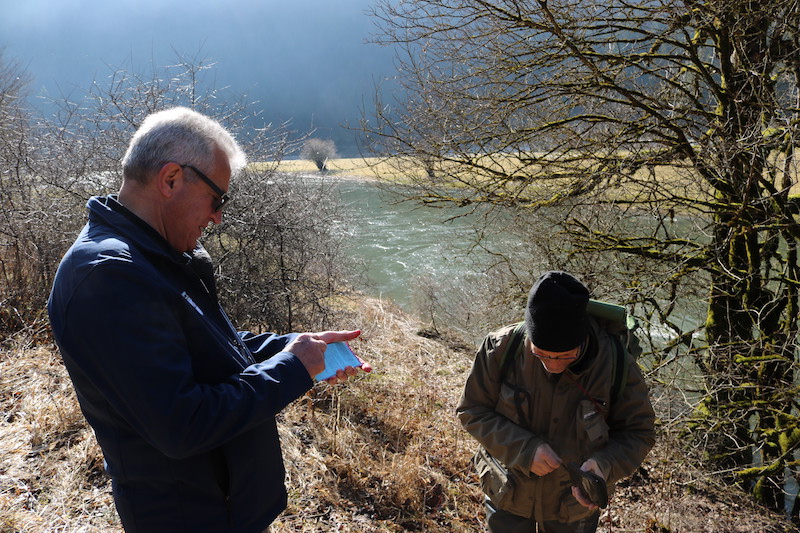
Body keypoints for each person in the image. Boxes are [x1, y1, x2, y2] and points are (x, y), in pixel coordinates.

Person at [47, 107, 370, 533]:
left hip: (226, 507)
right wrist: (292, 368)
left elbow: (209, 347)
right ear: (171, 179)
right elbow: (182, 423)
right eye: (218, 199)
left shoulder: (155, 256)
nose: (218, 216)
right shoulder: (109, 275)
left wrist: (296, 347)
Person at [457, 271, 655, 532]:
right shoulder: (501, 348)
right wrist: (524, 450)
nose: (553, 366)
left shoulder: (616, 363)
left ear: (582, 340)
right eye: (540, 354)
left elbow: (638, 432)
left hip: (572, 508)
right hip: (507, 492)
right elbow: (472, 410)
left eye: (565, 357)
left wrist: (604, 465)